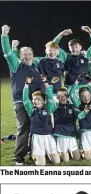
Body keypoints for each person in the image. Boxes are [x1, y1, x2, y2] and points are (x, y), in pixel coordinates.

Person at [2, 24, 45, 165]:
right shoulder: (16, 66)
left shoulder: (35, 68)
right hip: (21, 102)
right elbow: (7, 53)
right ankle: (18, 158)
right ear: (19, 56)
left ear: (33, 55)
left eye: (29, 54)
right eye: (24, 54)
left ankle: (31, 152)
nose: (27, 56)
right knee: (24, 126)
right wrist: (4, 35)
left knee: (34, 127)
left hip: (35, 103)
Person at [23, 76, 60, 165]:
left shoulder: (48, 109)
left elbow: (51, 97)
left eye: (38, 99)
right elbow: (25, 98)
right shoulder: (31, 110)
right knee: (41, 164)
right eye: (34, 99)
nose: (36, 101)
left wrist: (46, 83)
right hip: (37, 138)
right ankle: (34, 155)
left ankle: (45, 155)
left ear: (43, 101)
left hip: (48, 137)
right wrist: (27, 84)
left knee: (56, 162)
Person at [55, 26, 91, 90]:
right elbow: (53, 46)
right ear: (69, 48)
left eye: (76, 46)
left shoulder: (86, 56)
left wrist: (90, 32)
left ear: (81, 47)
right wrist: (61, 34)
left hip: (85, 86)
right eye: (71, 46)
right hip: (70, 87)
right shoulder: (66, 56)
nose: (74, 48)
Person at [53, 87, 81, 162]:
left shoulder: (72, 107)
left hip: (71, 135)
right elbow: (49, 98)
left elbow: (80, 114)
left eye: (64, 95)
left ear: (67, 97)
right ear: (57, 97)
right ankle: (60, 153)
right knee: (66, 160)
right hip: (61, 135)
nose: (62, 97)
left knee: (77, 158)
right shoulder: (54, 107)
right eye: (60, 95)